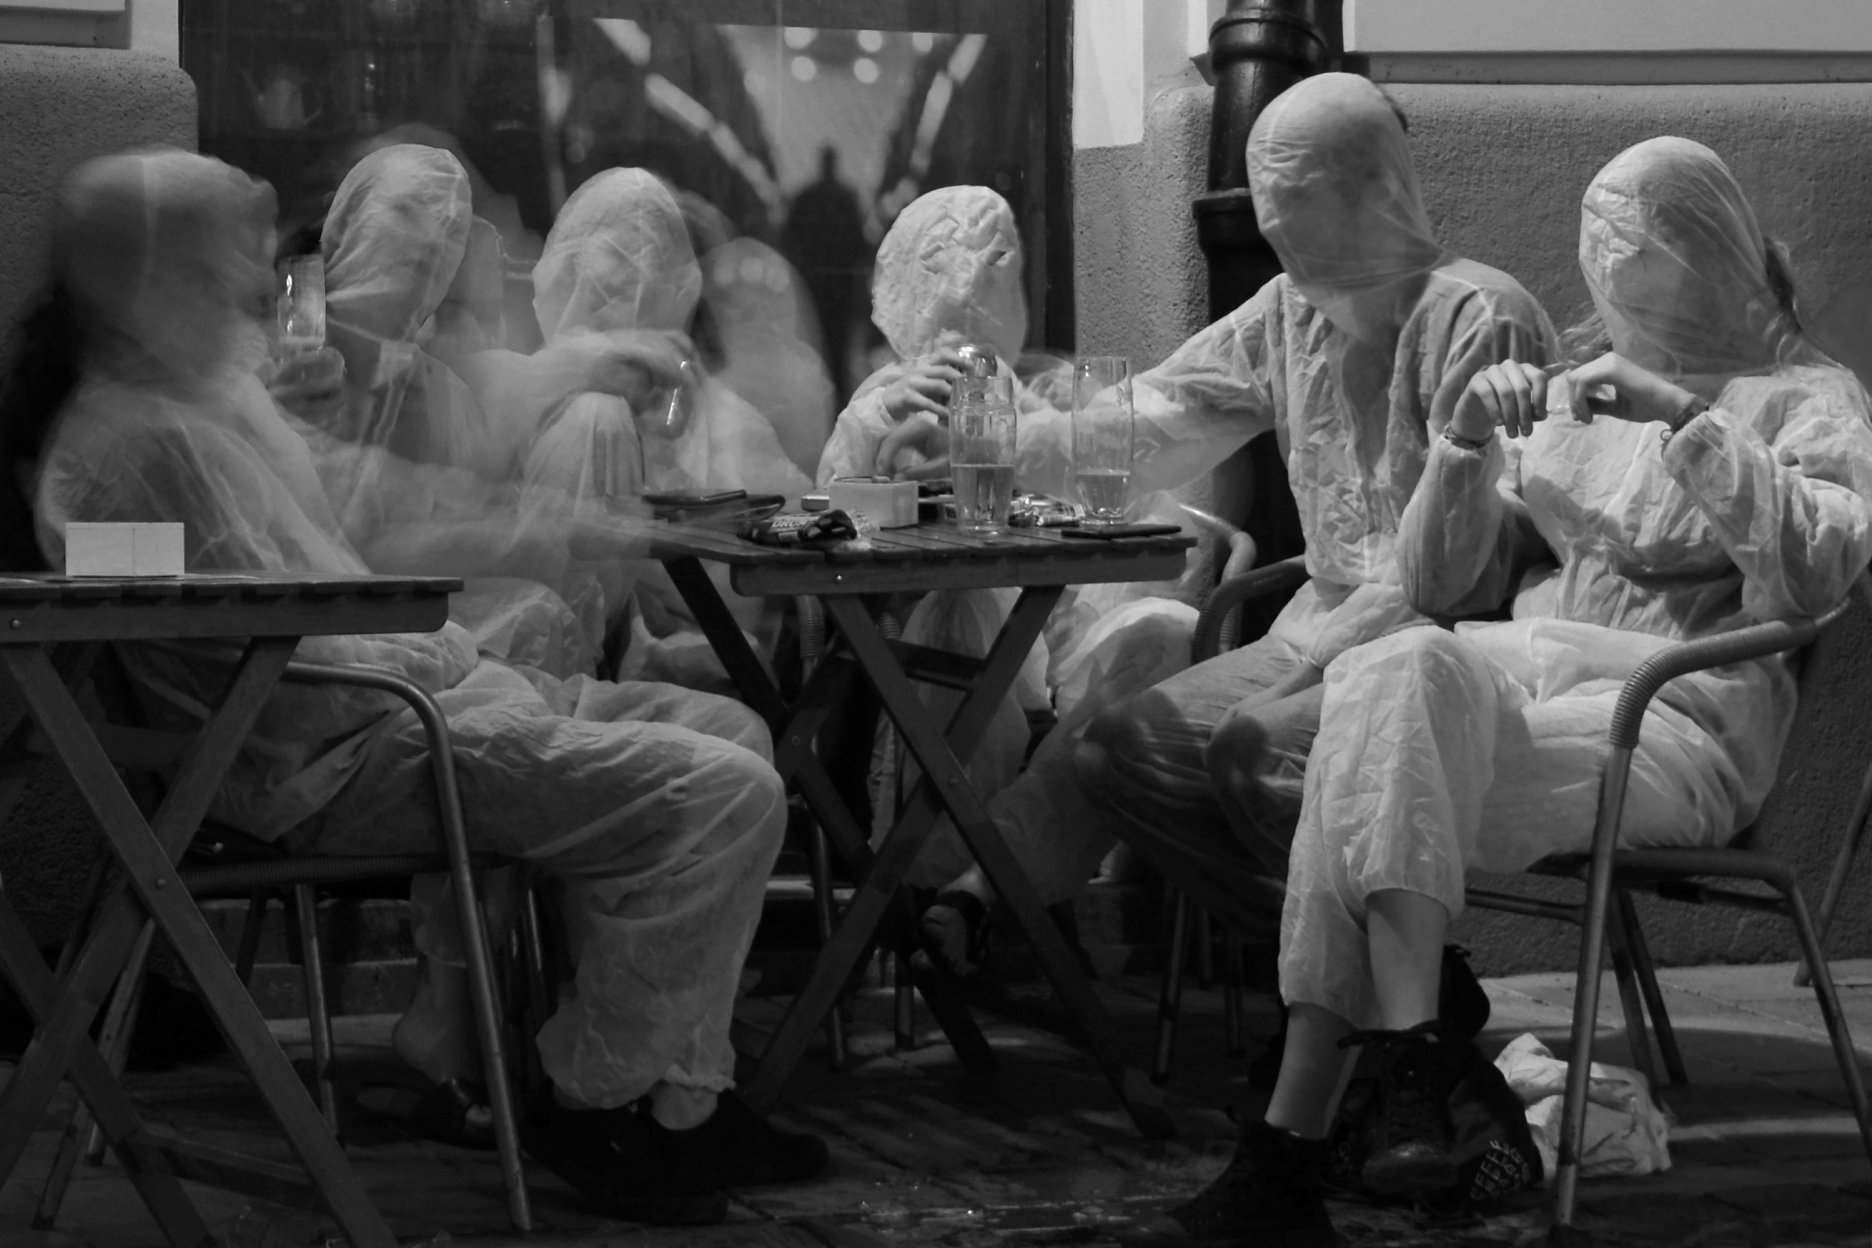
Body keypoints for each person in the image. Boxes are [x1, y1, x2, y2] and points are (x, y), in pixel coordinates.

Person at [8, 148, 827, 1225]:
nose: (257, 291)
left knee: (730, 731)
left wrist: (546, 532)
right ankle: (595, 1102)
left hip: (395, 715)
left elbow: (364, 509)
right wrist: (455, 639)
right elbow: (273, 645)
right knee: (723, 794)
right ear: (153, 284)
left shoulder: (201, 404)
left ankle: (681, 1098)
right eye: (224, 270)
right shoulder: (134, 446)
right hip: (336, 760)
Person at [1131, 136, 1872, 1247]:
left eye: (1637, 239)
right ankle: (1415, 1063)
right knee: (1399, 667)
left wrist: (1684, 418)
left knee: (1353, 770)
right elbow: (1438, 588)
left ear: (1706, 244)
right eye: (1595, 237)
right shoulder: (1580, 392)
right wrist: (1467, 438)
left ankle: (1300, 1143)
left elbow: (1819, 572)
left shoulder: (1807, 397)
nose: (1609, 262)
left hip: (1670, 722)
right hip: (1525, 686)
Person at [1062, 72, 1553, 958]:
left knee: (1255, 749)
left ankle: (1375, 979)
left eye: (1298, 198)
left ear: (1372, 186)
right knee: (1118, 753)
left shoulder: (1479, 313)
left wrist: (1318, 662)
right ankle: (1349, 967)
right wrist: (1026, 431)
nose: (1277, 226)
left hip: (1437, 642)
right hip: (1315, 620)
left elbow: (1466, 561)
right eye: (1268, 201)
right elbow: (1169, 410)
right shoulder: (1290, 307)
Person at [817, 184, 1228, 976]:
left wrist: (1073, 432)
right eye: (945, 263)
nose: (973, 279)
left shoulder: (1050, 389)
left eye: (996, 261)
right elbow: (829, 527)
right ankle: (950, 897)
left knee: (1166, 635)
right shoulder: (890, 398)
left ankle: (971, 895)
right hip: (956, 647)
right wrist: (872, 432)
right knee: (960, 607)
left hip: (1060, 636)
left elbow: (1143, 516)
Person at [524, 166, 812, 688]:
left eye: (634, 291)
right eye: (607, 292)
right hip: (577, 678)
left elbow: (800, 530)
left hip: (653, 662)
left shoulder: (722, 420)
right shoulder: (563, 411)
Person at [782, 145, 871, 401]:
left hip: (813, 283)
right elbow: (858, 244)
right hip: (840, 284)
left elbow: (790, 239)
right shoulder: (847, 198)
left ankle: (814, 393)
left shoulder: (805, 197)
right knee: (839, 345)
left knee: (813, 339)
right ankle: (839, 397)